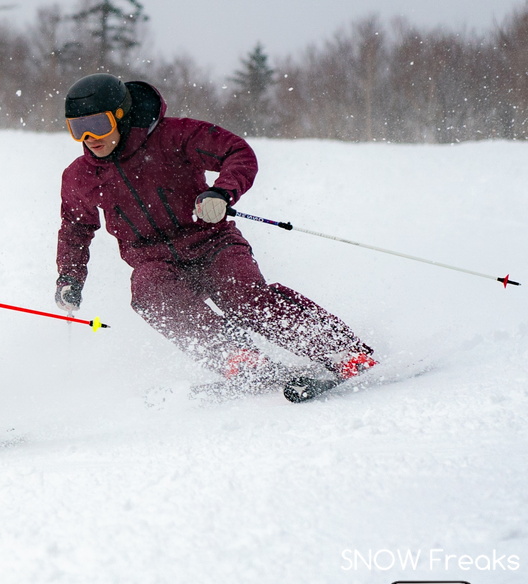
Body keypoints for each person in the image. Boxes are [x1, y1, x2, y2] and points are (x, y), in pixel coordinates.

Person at [54, 74, 376, 389]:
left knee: (245, 297)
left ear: (121, 116)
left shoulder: (174, 136)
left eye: (98, 125)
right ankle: (236, 357)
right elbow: (74, 230)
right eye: (77, 129)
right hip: (155, 262)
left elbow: (238, 153)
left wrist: (221, 193)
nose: (89, 137)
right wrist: (70, 278)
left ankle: (338, 348)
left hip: (212, 243)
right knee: (147, 291)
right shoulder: (80, 176)